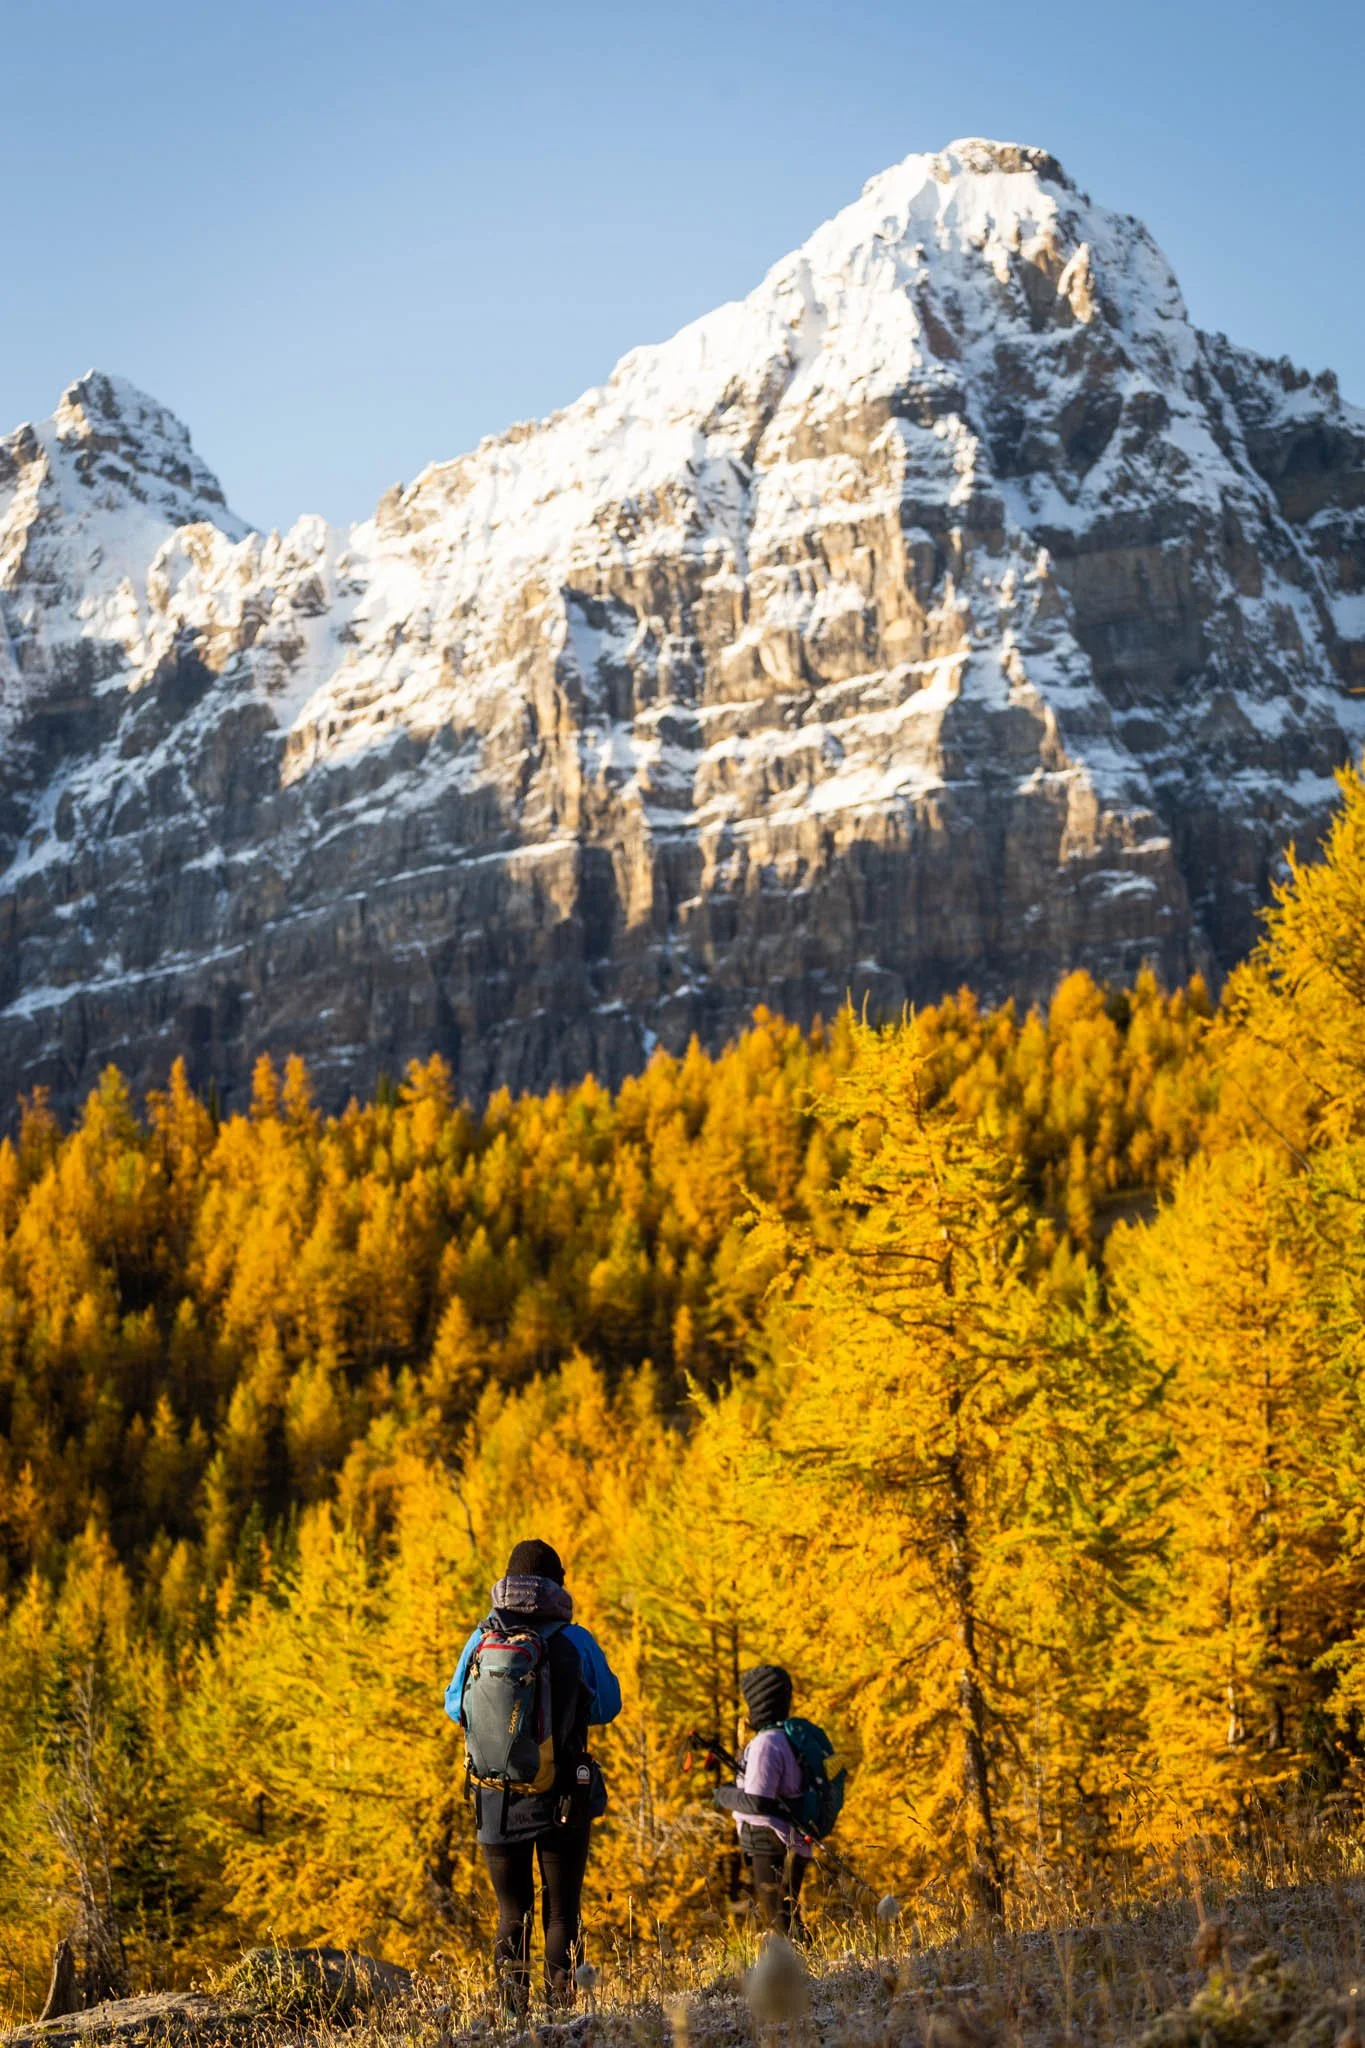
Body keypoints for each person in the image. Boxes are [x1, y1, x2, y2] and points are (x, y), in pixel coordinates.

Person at [445, 1539, 621, 2012]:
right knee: (561, 1911)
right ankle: (561, 2018)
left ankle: (511, 2018)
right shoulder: (575, 1640)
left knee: (511, 1912)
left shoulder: (481, 1637)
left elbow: (454, 1706)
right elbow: (608, 1706)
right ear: (556, 1584)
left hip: (495, 1796)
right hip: (562, 1795)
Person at [730, 1663, 812, 1939]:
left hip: (769, 1838)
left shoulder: (766, 1743)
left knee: (780, 1919)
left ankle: (800, 1964)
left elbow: (758, 1801)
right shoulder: (786, 1737)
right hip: (790, 1838)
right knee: (786, 1915)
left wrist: (722, 1794)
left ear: (759, 1702)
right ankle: (806, 1960)